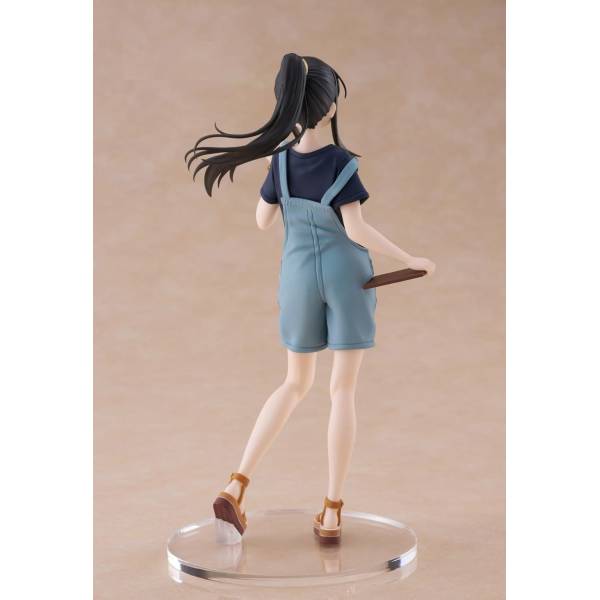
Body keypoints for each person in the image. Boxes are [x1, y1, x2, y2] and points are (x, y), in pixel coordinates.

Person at [186, 53, 435, 543]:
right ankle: (332, 511)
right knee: (342, 391)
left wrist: (277, 179)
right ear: (328, 107)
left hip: (298, 279)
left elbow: (262, 222)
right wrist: (412, 258)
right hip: (347, 279)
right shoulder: (341, 164)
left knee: (293, 383)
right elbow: (356, 230)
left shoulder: (279, 163)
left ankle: (236, 485)